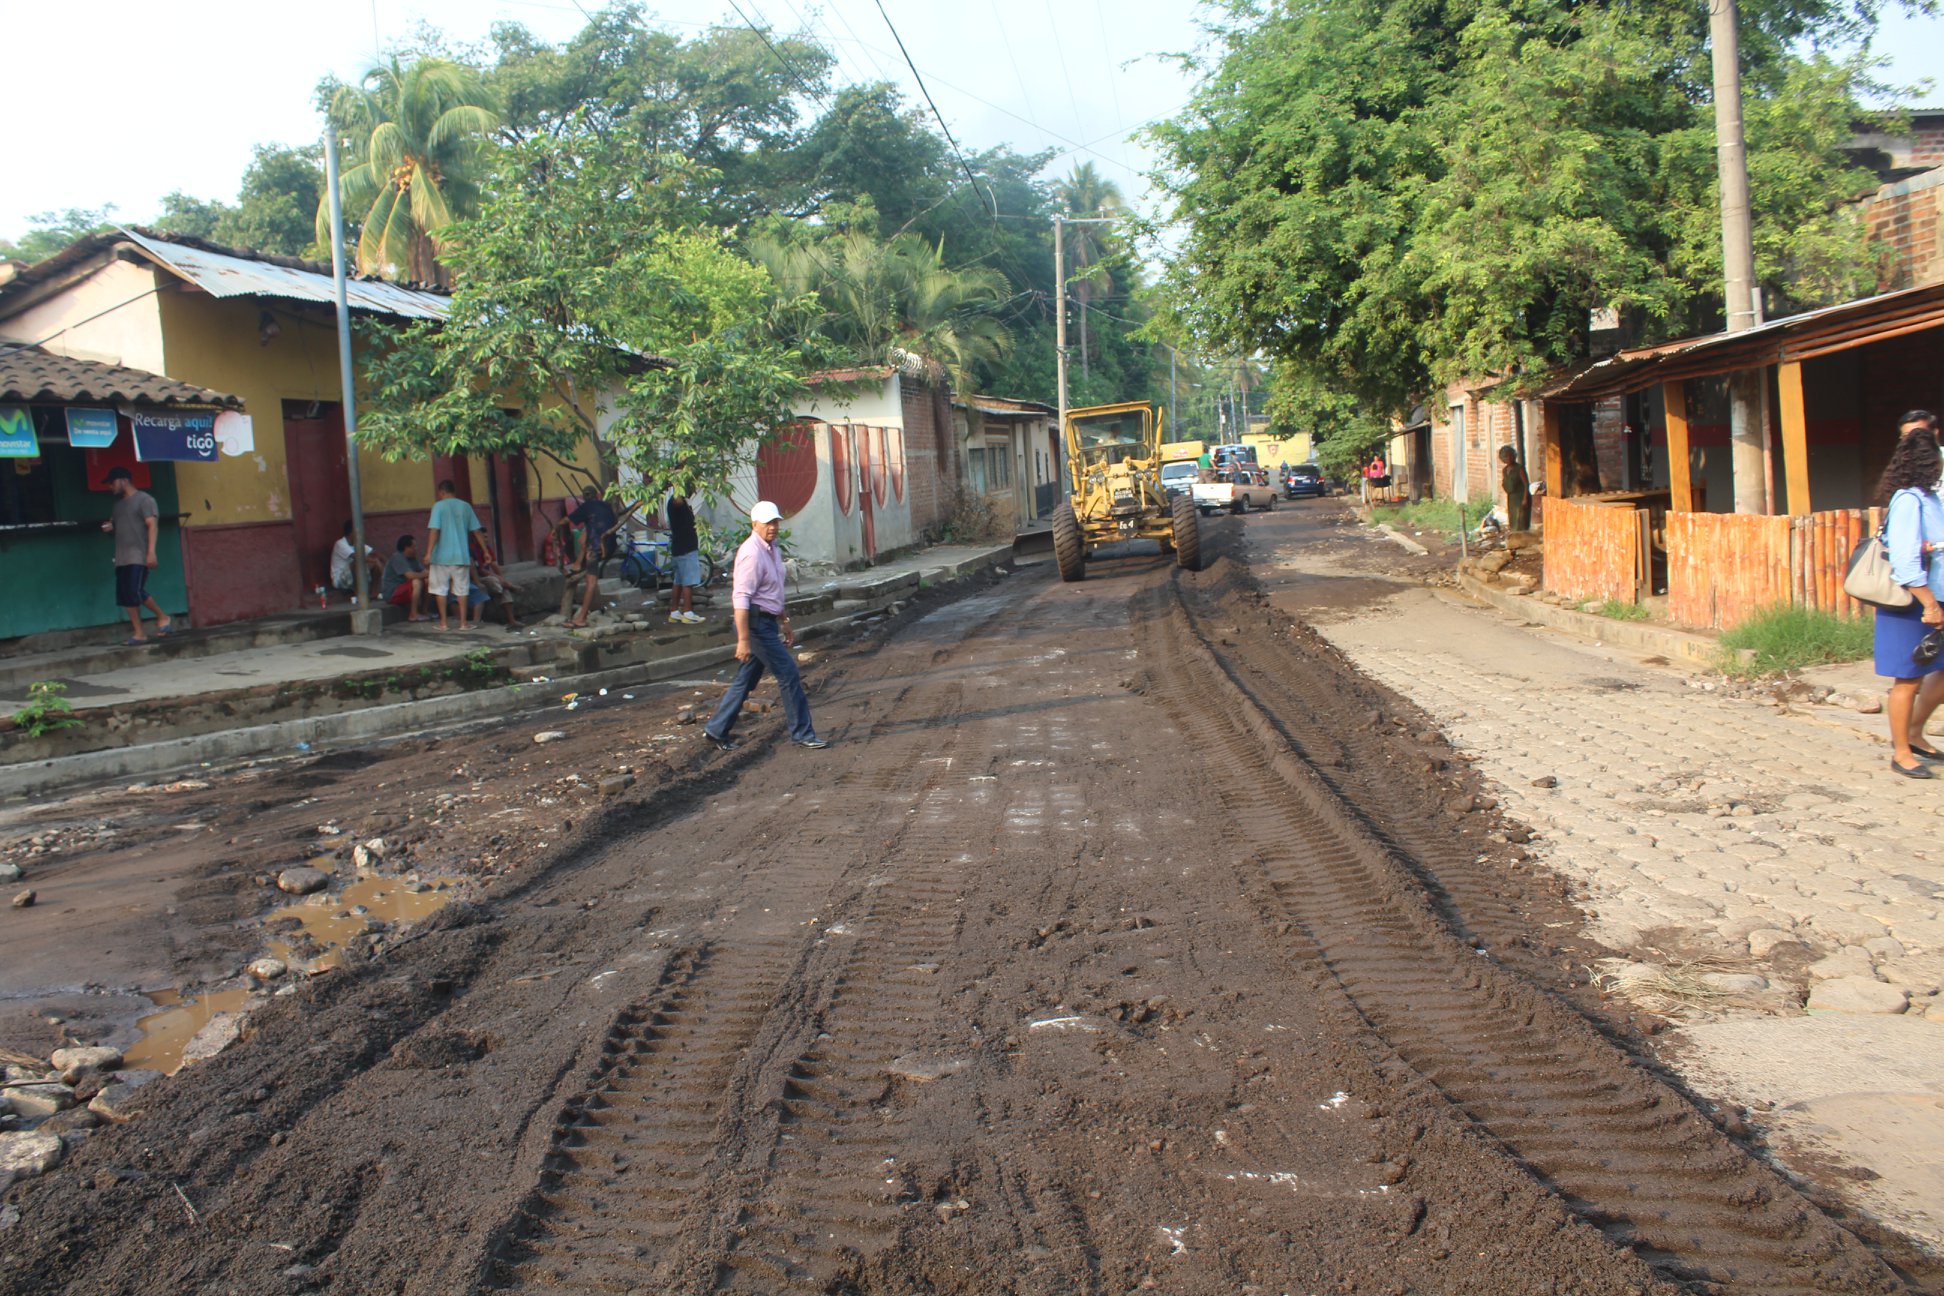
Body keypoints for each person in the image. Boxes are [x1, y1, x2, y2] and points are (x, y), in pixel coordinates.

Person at [702, 500, 825, 753]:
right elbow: (741, 598)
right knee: (789, 673)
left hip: (767, 621)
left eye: (776, 522)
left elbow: (773, 591)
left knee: (745, 679)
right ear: (754, 524)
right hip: (755, 626)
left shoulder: (772, 548)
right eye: (768, 523)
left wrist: (785, 621)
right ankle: (802, 733)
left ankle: (716, 729)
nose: (773, 527)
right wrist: (744, 639)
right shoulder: (751, 553)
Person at [1874, 426, 1944, 778]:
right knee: (1908, 677)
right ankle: (1901, 752)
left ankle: (1914, 733)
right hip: (1913, 602)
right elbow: (1904, 561)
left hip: (1936, 598)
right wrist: (1930, 603)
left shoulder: (1931, 499)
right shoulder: (1908, 500)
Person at [101, 466, 173, 644]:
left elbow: (152, 525)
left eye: (112, 482)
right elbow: (117, 526)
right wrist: (109, 528)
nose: (110, 487)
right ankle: (139, 633)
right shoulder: (117, 506)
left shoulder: (145, 500)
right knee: (126, 596)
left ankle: (163, 617)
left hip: (138, 555)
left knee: (135, 591)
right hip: (121, 557)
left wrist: (151, 552)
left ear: (123, 480)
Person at [425, 480, 489, 631]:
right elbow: (477, 531)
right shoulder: (465, 506)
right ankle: (463, 623)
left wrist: (428, 552)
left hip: (440, 557)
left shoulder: (438, 506)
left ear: (441, 492)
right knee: (462, 590)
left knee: (440, 589)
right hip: (460, 555)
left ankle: (443, 623)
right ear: (454, 491)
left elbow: (434, 530)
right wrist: (485, 551)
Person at [555, 485, 621, 629]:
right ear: (597, 495)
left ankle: (582, 618)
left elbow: (566, 520)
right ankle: (578, 563)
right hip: (610, 546)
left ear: (584, 498)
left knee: (590, 583)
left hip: (596, 549)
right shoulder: (605, 506)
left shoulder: (586, 507)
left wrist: (555, 528)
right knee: (584, 537)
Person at [665, 485, 703, 625]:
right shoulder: (676, 501)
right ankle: (688, 612)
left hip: (680, 547)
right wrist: (679, 482)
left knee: (679, 581)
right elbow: (678, 500)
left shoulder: (682, 503)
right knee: (688, 581)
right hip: (686, 548)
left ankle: (674, 611)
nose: (693, 488)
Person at [469, 534, 524, 630]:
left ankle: (511, 621)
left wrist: (502, 579)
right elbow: (481, 570)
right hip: (476, 578)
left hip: (488, 577)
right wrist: (500, 579)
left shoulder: (487, 549)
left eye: (486, 537)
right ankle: (510, 586)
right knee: (494, 581)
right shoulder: (472, 549)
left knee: (503, 587)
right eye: (483, 537)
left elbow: (494, 564)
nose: (486, 539)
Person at [380, 536, 429, 621]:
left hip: (405, 589)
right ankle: (413, 614)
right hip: (393, 592)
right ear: (407, 548)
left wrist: (428, 573)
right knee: (416, 582)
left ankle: (425, 611)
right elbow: (410, 576)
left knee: (427, 581)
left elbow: (424, 572)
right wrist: (427, 573)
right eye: (414, 547)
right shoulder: (397, 557)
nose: (416, 549)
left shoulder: (413, 559)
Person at [330, 520, 381, 599]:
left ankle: (374, 593)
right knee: (357, 563)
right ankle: (358, 594)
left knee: (375, 563)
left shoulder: (357, 543)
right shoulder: (340, 544)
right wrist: (374, 561)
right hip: (340, 580)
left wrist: (385, 562)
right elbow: (357, 557)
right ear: (352, 533)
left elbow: (375, 553)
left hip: (353, 576)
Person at [1499, 445, 1532, 532]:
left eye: (1510, 456)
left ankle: (1523, 540)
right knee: (1513, 519)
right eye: (1506, 456)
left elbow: (1526, 484)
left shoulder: (1519, 468)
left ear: (1514, 456)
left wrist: (1525, 499)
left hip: (1521, 497)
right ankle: (1516, 538)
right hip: (1512, 498)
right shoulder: (1505, 470)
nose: (1508, 458)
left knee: (1521, 520)